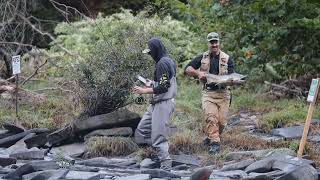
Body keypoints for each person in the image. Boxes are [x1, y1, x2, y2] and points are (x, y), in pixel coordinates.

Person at [184, 32, 234, 154]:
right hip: (208, 94)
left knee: (221, 122)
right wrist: (198, 73)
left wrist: (232, 82)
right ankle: (215, 144)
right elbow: (187, 69)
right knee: (211, 118)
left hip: (223, 94)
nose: (214, 45)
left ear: (219, 42)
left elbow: (232, 76)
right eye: (211, 42)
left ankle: (212, 136)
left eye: (215, 42)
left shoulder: (227, 58)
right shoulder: (202, 57)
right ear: (208, 43)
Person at [133, 38, 177, 170]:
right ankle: (157, 152)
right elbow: (165, 81)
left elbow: (164, 87)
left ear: (156, 50)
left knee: (157, 137)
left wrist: (143, 90)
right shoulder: (168, 61)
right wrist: (152, 83)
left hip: (163, 103)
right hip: (157, 103)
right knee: (143, 128)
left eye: (150, 52)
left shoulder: (162, 64)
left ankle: (165, 166)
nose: (150, 55)